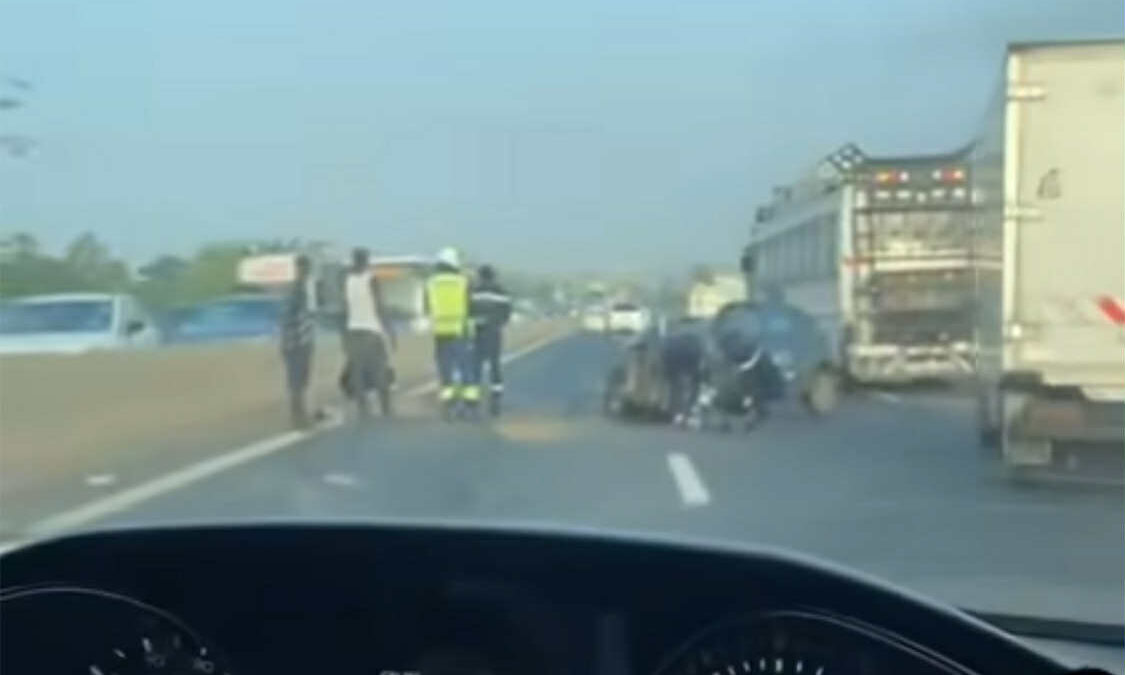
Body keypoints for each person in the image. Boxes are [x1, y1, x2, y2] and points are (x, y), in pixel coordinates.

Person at [342, 247, 396, 418]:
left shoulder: (347, 280)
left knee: (358, 374)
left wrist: (344, 335)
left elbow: (345, 309)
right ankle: (386, 409)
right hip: (371, 332)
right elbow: (380, 307)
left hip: (353, 331)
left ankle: (363, 411)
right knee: (379, 372)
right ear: (366, 260)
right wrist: (391, 331)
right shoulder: (371, 280)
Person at [425, 247, 476, 418]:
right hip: (460, 330)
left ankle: (449, 406)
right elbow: (470, 306)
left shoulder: (431, 283)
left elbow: (427, 307)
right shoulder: (463, 282)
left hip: (440, 332)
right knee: (465, 369)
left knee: (445, 371)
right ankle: (470, 405)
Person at [469, 264, 512, 416]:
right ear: (493, 276)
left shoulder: (474, 292)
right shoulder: (501, 292)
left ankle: (473, 400)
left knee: (476, 366)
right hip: (494, 332)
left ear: (480, 276)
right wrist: (498, 322)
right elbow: (507, 313)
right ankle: (496, 398)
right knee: (495, 366)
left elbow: (469, 311)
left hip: (479, 332)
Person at [280, 254, 317, 428]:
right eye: (303, 268)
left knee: (299, 381)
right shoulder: (298, 291)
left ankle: (299, 415)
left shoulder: (297, 289)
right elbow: (292, 318)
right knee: (298, 382)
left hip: (296, 341)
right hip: (297, 342)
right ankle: (298, 417)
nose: (305, 271)